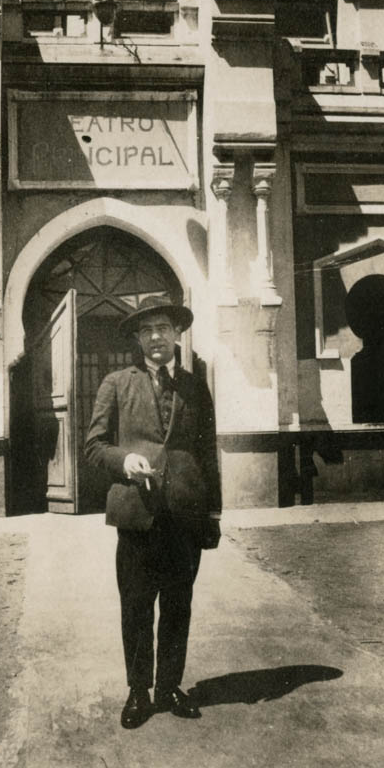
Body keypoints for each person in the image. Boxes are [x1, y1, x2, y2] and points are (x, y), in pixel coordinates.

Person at [84, 295, 222, 729]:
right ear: (137, 339)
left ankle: (169, 688)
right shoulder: (116, 383)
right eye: (146, 330)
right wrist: (124, 462)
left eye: (162, 327)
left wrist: (213, 514)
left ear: (178, 333)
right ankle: (139, 691)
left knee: (179, 604)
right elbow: (94, 446)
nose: (155, 336)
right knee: (138, 605)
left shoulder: (195, 386)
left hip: (185, 515)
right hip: (138, 513)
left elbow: (206, 452)